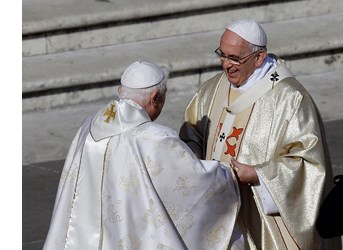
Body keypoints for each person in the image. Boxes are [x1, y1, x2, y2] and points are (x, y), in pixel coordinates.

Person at [43, 61, 244, 249]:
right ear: (155, 98)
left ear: (121, 91)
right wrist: (228, 175)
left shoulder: (88, 125)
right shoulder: (155, 138)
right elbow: (193, 183)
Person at [179, 19, 342, 249]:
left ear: (259, 58)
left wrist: (259, 175)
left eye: (235, 58)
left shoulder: (289, 98)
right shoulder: (211, 89)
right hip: (218, 210)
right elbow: (191, 134)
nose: (226, 65)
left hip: (264, 220)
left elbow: (309, 164)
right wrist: (195, 162)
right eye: (222, 55)